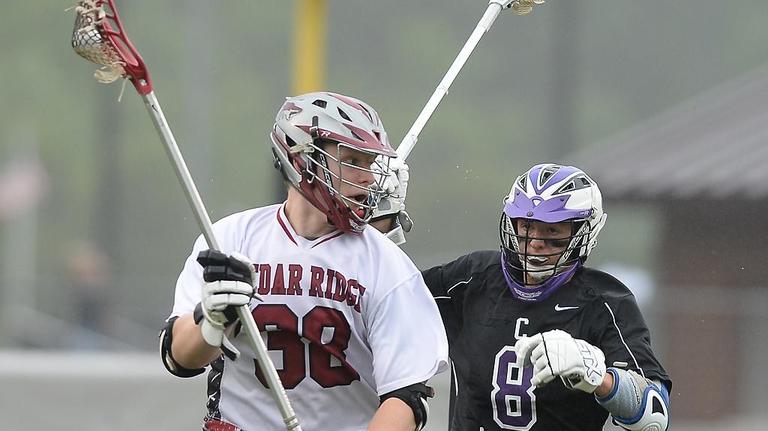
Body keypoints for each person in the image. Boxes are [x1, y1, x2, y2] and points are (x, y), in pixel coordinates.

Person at [159, 92, 449, 431]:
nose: (369, 179)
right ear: (303, 161)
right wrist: (211, 320)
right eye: (354, 160)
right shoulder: (231, 240)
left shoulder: (387, 265)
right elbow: (179, 359)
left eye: (370, 164)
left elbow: (406, 398)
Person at [373, 162, 671, 430]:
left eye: (551, 229)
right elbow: (382, 300)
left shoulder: (605, 301)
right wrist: (376, 224)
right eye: (527, 225)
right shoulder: (471, 278)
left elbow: (653, 417)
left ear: (584, 231)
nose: (535, 241)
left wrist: (596, 377)